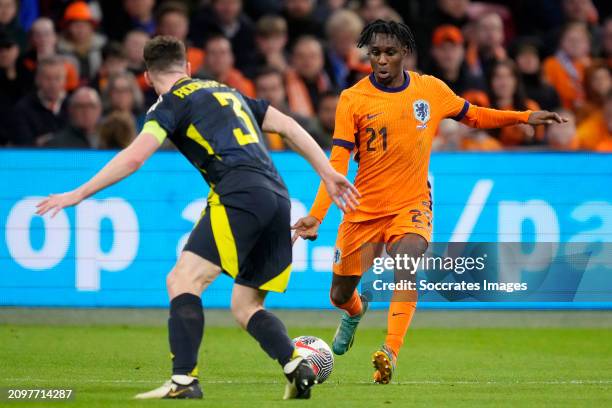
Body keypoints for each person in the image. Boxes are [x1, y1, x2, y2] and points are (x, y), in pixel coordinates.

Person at [36, 35, 358, 400]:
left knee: (183, 280)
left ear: (146, 76)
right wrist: (328, 173)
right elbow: (288, 127)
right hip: (278, 197)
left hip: (238, 193)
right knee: (246, 305)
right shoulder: (229, 92)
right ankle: (295, 365)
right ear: (188, 67)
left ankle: (184, 381)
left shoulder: (168, 106)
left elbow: (135, 157)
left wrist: (78, 193)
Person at [292, 19, 566, 385]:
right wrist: (316, 216)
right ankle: (355, 314)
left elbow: (473, 115)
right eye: (375, 53)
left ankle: (389, 352)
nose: (382, 60)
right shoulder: (352, 99)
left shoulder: (430, 90)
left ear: (404, 52)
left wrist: (523, 116)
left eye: (390, 52)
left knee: (407, 262)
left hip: (412, 204)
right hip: (362, 211)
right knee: (340, 294)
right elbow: (337, 163)